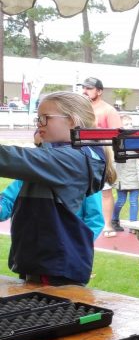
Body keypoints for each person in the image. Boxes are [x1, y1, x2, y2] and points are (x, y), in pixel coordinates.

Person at [0, 92, 110, 285]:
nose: (38, 124)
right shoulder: (63, 156)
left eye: (45, 118)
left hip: (55, 266)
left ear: (72, 121)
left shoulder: (73, 159)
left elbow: (10, 159)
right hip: (44, 261)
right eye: (38, 118)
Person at [0, 129, 105, 240]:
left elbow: (95, 220)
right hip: (28, 249)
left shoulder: (81, 177)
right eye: (37, 146)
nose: (39, 152)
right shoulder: (26, 177)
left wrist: (76, 246)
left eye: (44, 146)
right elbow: (7, 202)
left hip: (65, 250)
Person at [79, 76, 122, 239]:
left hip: (104, 154)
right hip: (82, 154)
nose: (85, 91)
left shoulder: (108, 110)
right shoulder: (80, 109)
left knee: (105, 190)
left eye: (89, 88)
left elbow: (118, 134)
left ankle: (107, 224)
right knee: (83, 188)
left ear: (99, 91)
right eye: (84, 87)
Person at [110, 115, 139, 234]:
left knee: (133, 201)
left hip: (134, 177)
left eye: (130, 124)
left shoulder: (135, 142)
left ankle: (133, 225)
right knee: (121, 200)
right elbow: (112, 161)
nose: (129, 127)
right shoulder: (116, 142)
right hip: (121, 177)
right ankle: (114, 220)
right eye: (126, 124)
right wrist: (113, 178)